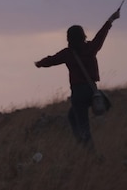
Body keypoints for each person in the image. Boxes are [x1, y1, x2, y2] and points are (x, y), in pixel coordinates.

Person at [34, 9, 121, 151]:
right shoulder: (91, 48)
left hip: (78, 92)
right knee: (72, 117)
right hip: (91, 89)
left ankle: (89, 153)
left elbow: (52, 60)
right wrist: (111, 20)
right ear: (83, 35)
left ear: (69, 38)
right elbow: (101, 35)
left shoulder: (68, 53)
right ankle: (82, 144)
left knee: (82, 124)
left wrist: (39, 63)